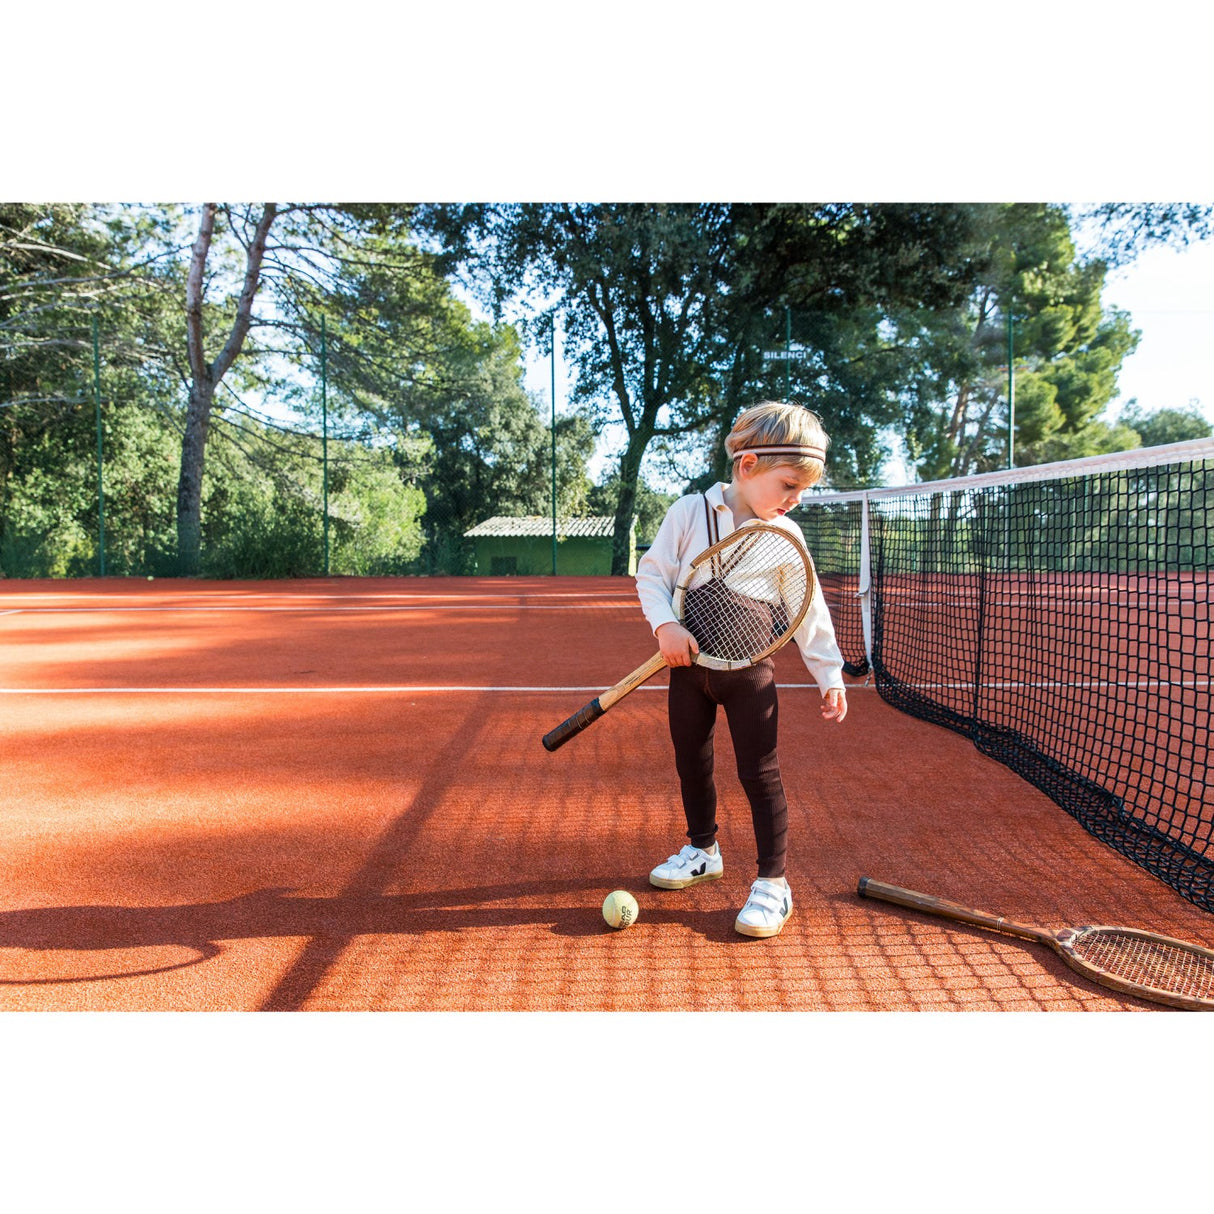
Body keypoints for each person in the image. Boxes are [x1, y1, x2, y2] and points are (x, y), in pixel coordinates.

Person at [635, 401, 848, 938]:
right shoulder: (690, 512)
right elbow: (653, 574)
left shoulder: (787, 536)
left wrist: (829, 673)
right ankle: (703, 850)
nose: (796, 499)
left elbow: (809, 610)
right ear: (747, 465)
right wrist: (665, 626)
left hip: (751, 676)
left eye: (802, 490)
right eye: (789, 485)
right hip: (689, 673)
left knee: (760, 773)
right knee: (692, 762)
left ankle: (774, 883)